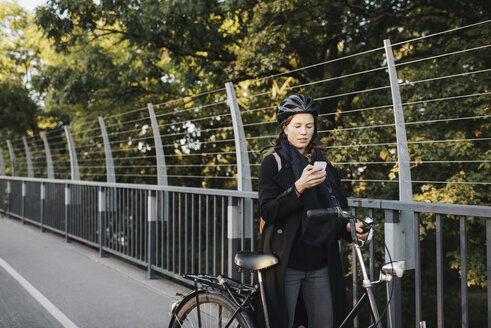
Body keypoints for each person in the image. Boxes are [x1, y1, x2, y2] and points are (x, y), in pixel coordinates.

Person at [258, 94, 367, 328]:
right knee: (281, 323)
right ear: (285, 128)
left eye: (309, 125)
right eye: (297, 126)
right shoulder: (273, 162)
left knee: (325, 322)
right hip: (285, 262)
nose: (303, 132)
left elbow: (332, 212)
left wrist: (350, 228)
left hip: (320, 262)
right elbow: (268, 211)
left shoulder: (322, 163)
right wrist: (299, 187)